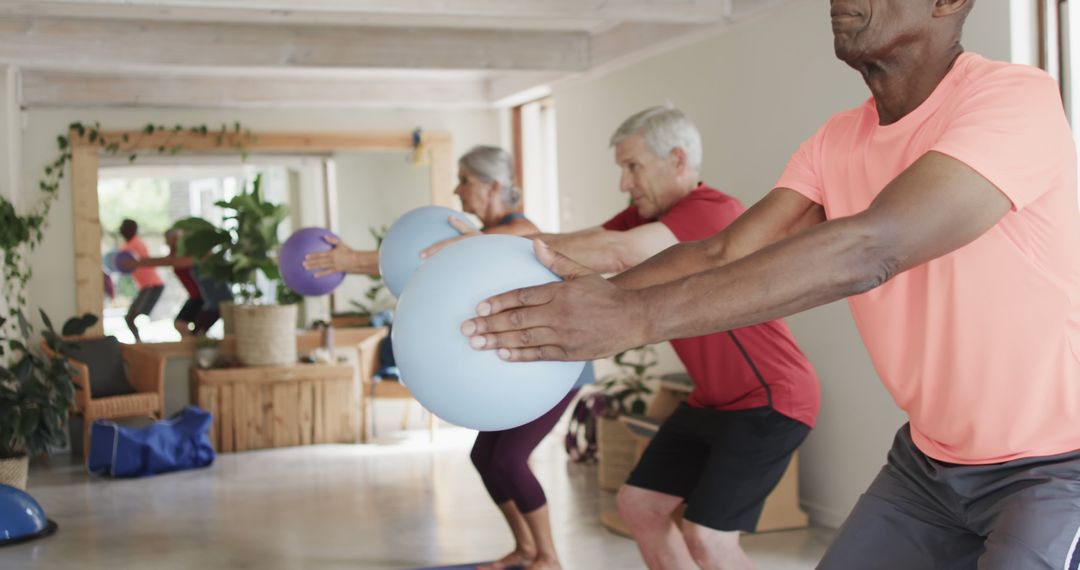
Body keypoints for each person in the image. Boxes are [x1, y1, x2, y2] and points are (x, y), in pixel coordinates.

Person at [462, 1, 1080, 568]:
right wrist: (603, 305)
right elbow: (722, 252)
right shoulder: (837, 140)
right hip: (928, 465)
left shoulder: (1014, 99)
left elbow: (874, 247)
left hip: (1058, 467)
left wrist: (633, 318)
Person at [427, 107, 820, 570]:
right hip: (713, 401)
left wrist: (489, 246)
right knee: (641, 504)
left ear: (677, 160)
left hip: (770, 399)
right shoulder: (644, 215)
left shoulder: (712, 211)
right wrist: (489, 246)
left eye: (632, 167)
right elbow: (579, 240)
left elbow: (618, 252)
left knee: (708, 536)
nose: (624, 183)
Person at [304, 146, 584, 570]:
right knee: (483, 458)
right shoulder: (476, 232)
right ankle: (526, 548)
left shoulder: (518, 228)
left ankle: (549, 556)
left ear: (493, 186)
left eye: (465, 179)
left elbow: (424, 257)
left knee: (508, 460)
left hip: (554, 368)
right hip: (518, 366)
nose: (457, 189)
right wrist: (352, 260)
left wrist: (348, 260)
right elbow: (418, 264)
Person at [117, 218, 164, 343]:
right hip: (146, 286)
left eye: (123, 226)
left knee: (132, 317)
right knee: (129, 317)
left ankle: (140, 342)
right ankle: (139, 342)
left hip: (152, 285)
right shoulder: (128, 245)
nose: (120, 229)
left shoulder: (136, 244)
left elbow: (135, 261)